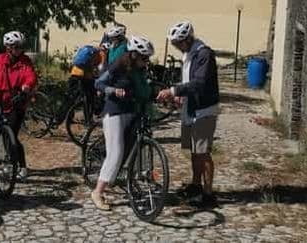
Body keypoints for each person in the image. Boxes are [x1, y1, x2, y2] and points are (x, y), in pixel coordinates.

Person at [156, 21, 220, 207]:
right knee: (194, 150)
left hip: (204, 110)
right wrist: (181, 96)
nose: (176, 47)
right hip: (191, 108)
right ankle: (195, 185)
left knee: (203, 152)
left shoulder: (204, 54)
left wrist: (174, 91)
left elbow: (200, 83)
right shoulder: (188, 53)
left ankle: (208, 194)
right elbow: (188, 81)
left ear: (187, 39)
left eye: (178, 43)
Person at [91, 35, 154, 211]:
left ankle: (124, 179)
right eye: (144, 58)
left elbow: (145, 90)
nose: (146, 61)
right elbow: (98, 84)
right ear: (134, 55)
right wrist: (113, 90)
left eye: (147, 58)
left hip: (132, 112)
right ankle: (97, 192)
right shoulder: (117, 66)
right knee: (116, 153)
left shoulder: (140, 70)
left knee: (131, 149)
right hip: (114, 112)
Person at [0, 31, 37, 181]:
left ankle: (21, 167)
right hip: (0, 102)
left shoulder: (25, 61)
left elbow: (30, 76)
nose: (20, 50)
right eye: (17, 47)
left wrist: (27, 85)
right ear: (8, 47)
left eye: (21, 46)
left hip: (17, 103)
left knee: (11, 135)